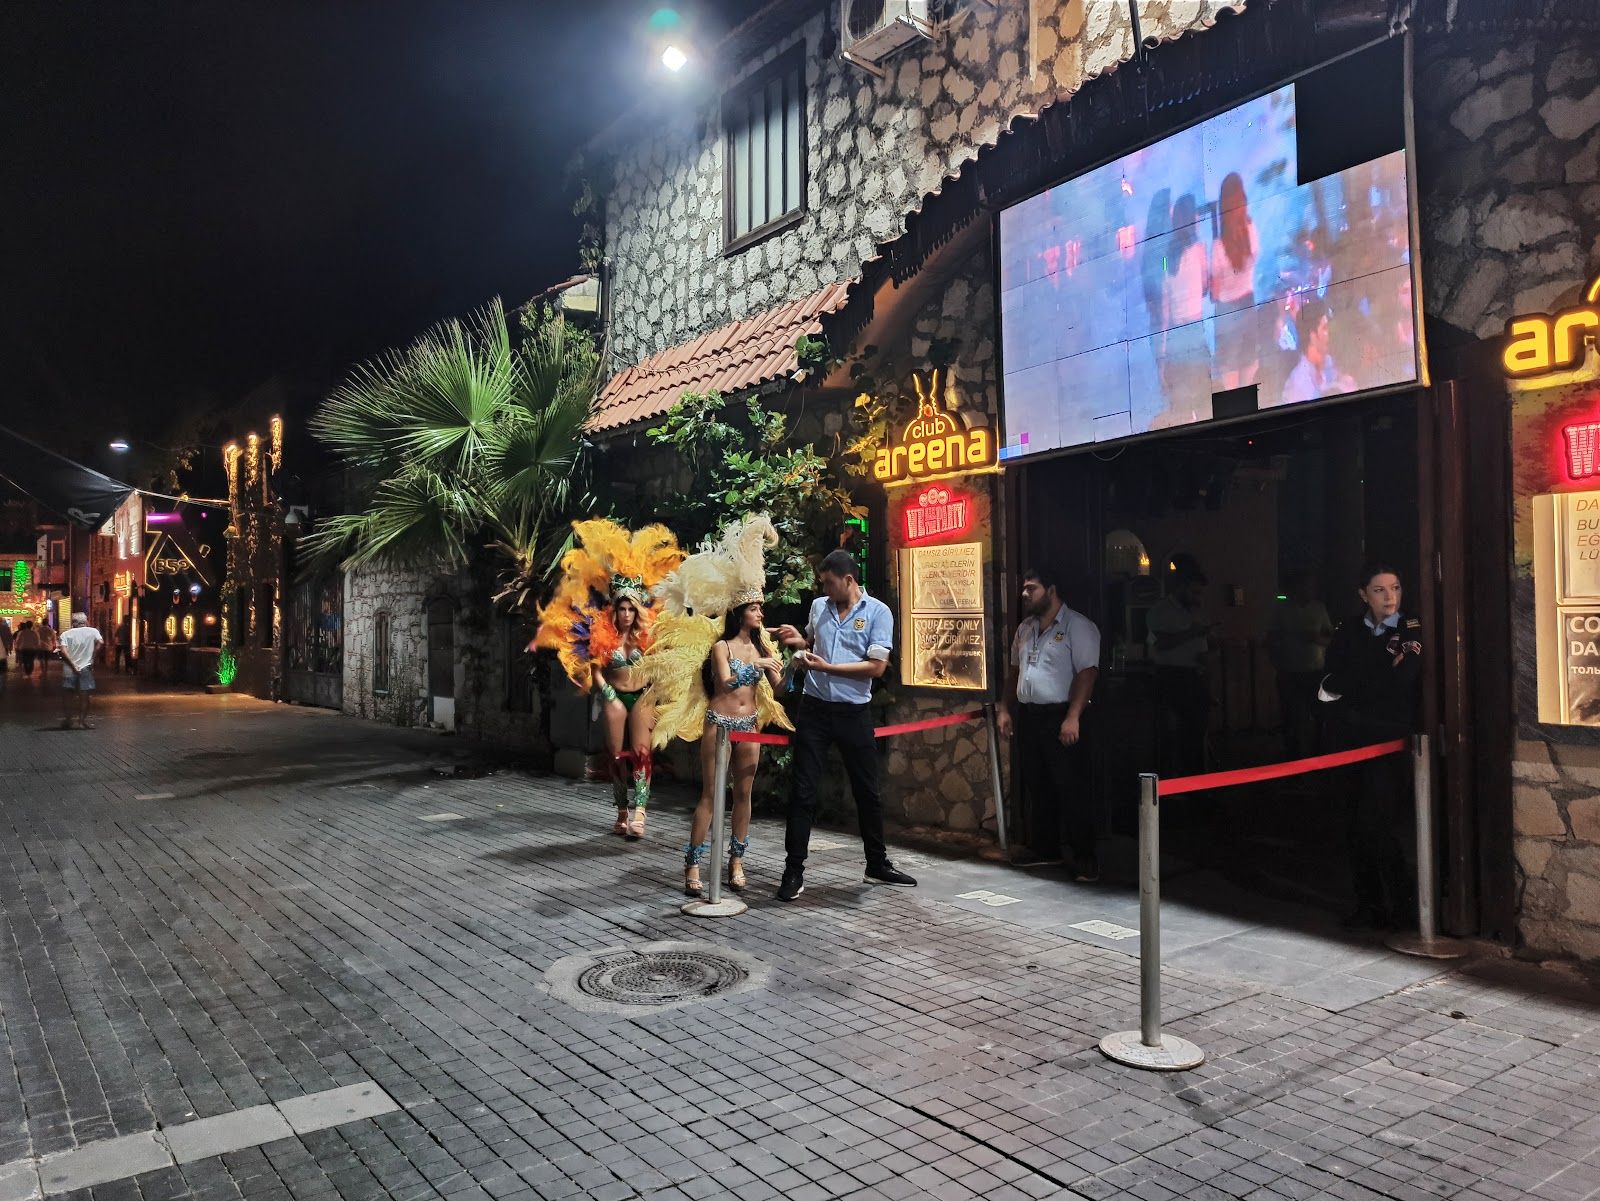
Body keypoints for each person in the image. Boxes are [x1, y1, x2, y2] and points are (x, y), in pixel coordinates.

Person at [648, 515, 793, 896]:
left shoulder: (765, 647)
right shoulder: (721, 647)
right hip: (720, 723)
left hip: (750, 727)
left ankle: (736, 861)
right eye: (755, 609)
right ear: (740, 613)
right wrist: (756, 667)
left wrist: (795, 665)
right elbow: (727, 681)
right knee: (711, 797)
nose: (761, 614)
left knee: (744, 795)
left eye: (761, 608)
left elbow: (779, 691)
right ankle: (693, 865)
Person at [773, 549, 917, 901]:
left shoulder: (878, 613)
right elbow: (813, 642)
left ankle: (877, 863)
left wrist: (825, 668)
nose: (824, 588)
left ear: (849, 580)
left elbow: (876, 668)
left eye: (829, 582)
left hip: (854, 712)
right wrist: (800, 641)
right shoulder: (819, 607)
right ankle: (793, 871)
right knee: (803, 791)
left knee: (867, 791)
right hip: (815, 710)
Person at [533, 519, 685, 839]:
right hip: (615, 696)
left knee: (642, 754)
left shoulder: (649, 636)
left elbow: (659, 665)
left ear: (637, 611)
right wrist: (608, 693)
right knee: (617, 755)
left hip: (642, 693)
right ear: (614, 610)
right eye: (622, 609)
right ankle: (621, 810)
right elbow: (596, 669)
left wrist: (653, 690)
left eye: (631, 609)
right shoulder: (604, 636)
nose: (626, 614)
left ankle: (640, 813)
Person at [1319, 563, 1423, 930]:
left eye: (1395, 588)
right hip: (1349, 740)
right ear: (1363, 594)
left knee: (1380, 824)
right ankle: (1369, 903)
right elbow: (1328, 684)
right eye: (1379, 590)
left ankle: (1404, 905)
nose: (1390, 596)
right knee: (1352, 823)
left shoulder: (1412, 629)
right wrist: (1376, 670)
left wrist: (1357, 679)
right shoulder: (1348, 630)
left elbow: (1402, 681)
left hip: (1388, 739)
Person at [996, 567, 1102, 879]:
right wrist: (1005, 708)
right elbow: (1014, 671)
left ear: (1051, 590)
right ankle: (1047, 850)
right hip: (1031, 716)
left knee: (1072, 787)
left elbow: (1087, 673)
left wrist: (1073, 717)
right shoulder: (1026, 628)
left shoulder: (1078, 626)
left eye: (1032, 589)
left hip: (1063, 716)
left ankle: (1086, 856)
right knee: (1038, 785)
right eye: (1024, 589)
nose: (1024, 595)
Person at [1146, 553, 1213, 778]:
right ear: (1181, 588)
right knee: (1174, 733)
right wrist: (1192, 633)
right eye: (1194, 592)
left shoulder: (1193, 611)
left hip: (1195, 675)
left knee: (1196, 732)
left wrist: (1206, 650)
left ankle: (1195, 780)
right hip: (1172, 678)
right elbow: (1161, 643)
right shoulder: (1160, 611)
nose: (1198, 596)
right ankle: (1175, 781)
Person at [1267, 569, 1334, 760]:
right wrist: (1276, 663)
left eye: (1312, 586)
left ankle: (1318, 755)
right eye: (1307, 585)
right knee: (1292, 718)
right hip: (1289, 672)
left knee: (1319, 715)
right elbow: (1272, 638)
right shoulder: (1282, 609)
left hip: (1315, 672)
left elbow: (1330, 637)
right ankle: (1293, 758)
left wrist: (1317, 639)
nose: (1310, 589)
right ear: (1297, 586)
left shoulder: (1319, 608)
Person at [1210, 172, 1261, 390]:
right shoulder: (1252, 231)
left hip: (1226, 312)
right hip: (1248, 304)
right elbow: (1255, 257)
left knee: (1229, 381)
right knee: (1249, 368)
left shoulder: (1218, 246)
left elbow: (1214, 293)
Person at [1281, 298, 1357, 405]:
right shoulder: (1298, 384)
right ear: (1312, 336)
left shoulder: (1330, 363)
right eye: (1325, 328)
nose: (1329, 332)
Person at [59, 612, 103, 729]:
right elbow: (101, 643)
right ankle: (81, 722)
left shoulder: (65, 634)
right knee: (84, 695)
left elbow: (63, 651)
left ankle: (68, 720)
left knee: (68, 695)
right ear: (86, 621)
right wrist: (93, 656)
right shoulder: (93, 631)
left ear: (73, 623)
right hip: (86, 667)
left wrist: (73, 665)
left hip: (69, 668)